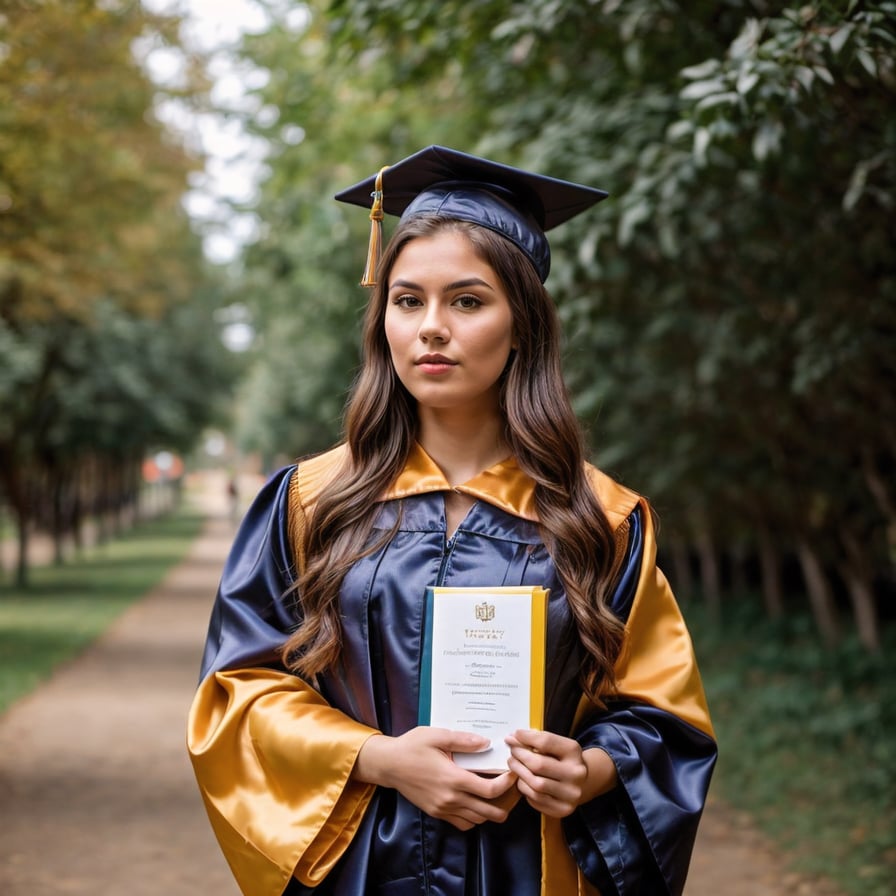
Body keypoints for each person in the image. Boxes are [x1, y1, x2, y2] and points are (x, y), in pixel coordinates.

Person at [187, 145, 717, 896]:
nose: (431, 327)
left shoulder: (604, 519)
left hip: (531, 867)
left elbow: (663, 722)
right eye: (408, 301)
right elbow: (239, 691)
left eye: (467, 301)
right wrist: (377, 758)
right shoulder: (310, 501)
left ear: (521, 325)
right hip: (363, 864)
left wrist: (591, 770)